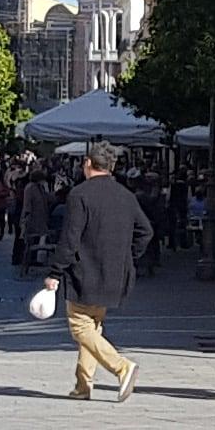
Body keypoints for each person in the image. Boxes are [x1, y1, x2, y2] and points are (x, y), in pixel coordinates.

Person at [59, 147, 148, 402]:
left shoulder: (80, 195)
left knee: (80, 327)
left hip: (85, 272)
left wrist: (56, 271)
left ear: (88, 163)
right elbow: (145, 231)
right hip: (115, 273)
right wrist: (130, 257)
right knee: (92, 326)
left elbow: (70, 237)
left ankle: (121, 367)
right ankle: (82, 385)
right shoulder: (125, 195)